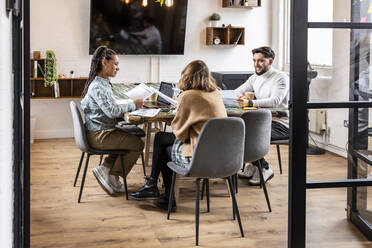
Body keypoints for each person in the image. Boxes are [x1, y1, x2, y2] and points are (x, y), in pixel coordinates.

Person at [129, 60, 227, 210]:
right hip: (222, 155)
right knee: (162, 140)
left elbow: (180, 133)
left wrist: (176, 119)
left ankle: (163, 193)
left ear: (187, 76)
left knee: (162, 142)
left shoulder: (188, 96)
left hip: (198, 156)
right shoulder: (215, 93)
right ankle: (155, 187)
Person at [81, 46, 144, 196]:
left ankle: (107, 170)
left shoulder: (102, 82)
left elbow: (110, 106)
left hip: (101, 130)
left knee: (131, 138)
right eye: (115, 64)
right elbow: (111, 111)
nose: (118, 68)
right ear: (104, 62)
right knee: (137, 144)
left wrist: (126, 104)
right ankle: (112, 175)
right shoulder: (98, 86)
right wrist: (133, 104)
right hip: (100, 135)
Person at [235, 46, 289, 186]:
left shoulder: (280, 77)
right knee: (238, 132)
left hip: (281, 123)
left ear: (270, 62)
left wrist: (250, 102)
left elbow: (275, 101)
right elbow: (237, 91)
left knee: (247, 135)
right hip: (264, 121)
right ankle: (254, 165)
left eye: (260, 61)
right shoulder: (254, 78)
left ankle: (264, 167)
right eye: (254, 60)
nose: (256, 64)